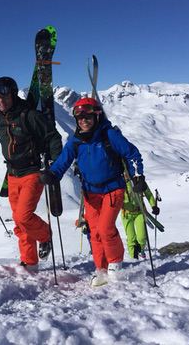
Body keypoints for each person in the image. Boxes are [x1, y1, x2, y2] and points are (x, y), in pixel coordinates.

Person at [40, 97, 147, 287]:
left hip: (113, 188)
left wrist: (138, 177)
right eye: (80, 117)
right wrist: (52, 175)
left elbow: (132, 154)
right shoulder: (76, 141)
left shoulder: (109, 135)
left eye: (88, 116)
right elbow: (63, 161)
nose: (84, 120)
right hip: (90, 193)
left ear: (96, 116)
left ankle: (115, 264)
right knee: (94, 232)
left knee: (106, 228)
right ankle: (101, 269)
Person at [0, 76, 62, 271]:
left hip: (33, 172)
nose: (0, 101)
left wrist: (55, 164)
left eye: (4, 97)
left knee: (24, 216)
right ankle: (29, 263)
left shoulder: (29, 115)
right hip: (12, 174)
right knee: (19, 221)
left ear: (13, 96)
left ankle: (45, 236)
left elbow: (52, 137)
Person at [121, 180, 160, 259]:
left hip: (139, 212)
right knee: (131, 239)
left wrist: (153, 206)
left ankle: (141, 250)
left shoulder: (139, 179)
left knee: (141, 238)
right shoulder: (119, 181)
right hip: (126, 214)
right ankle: (133, 259)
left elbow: (148, 194)